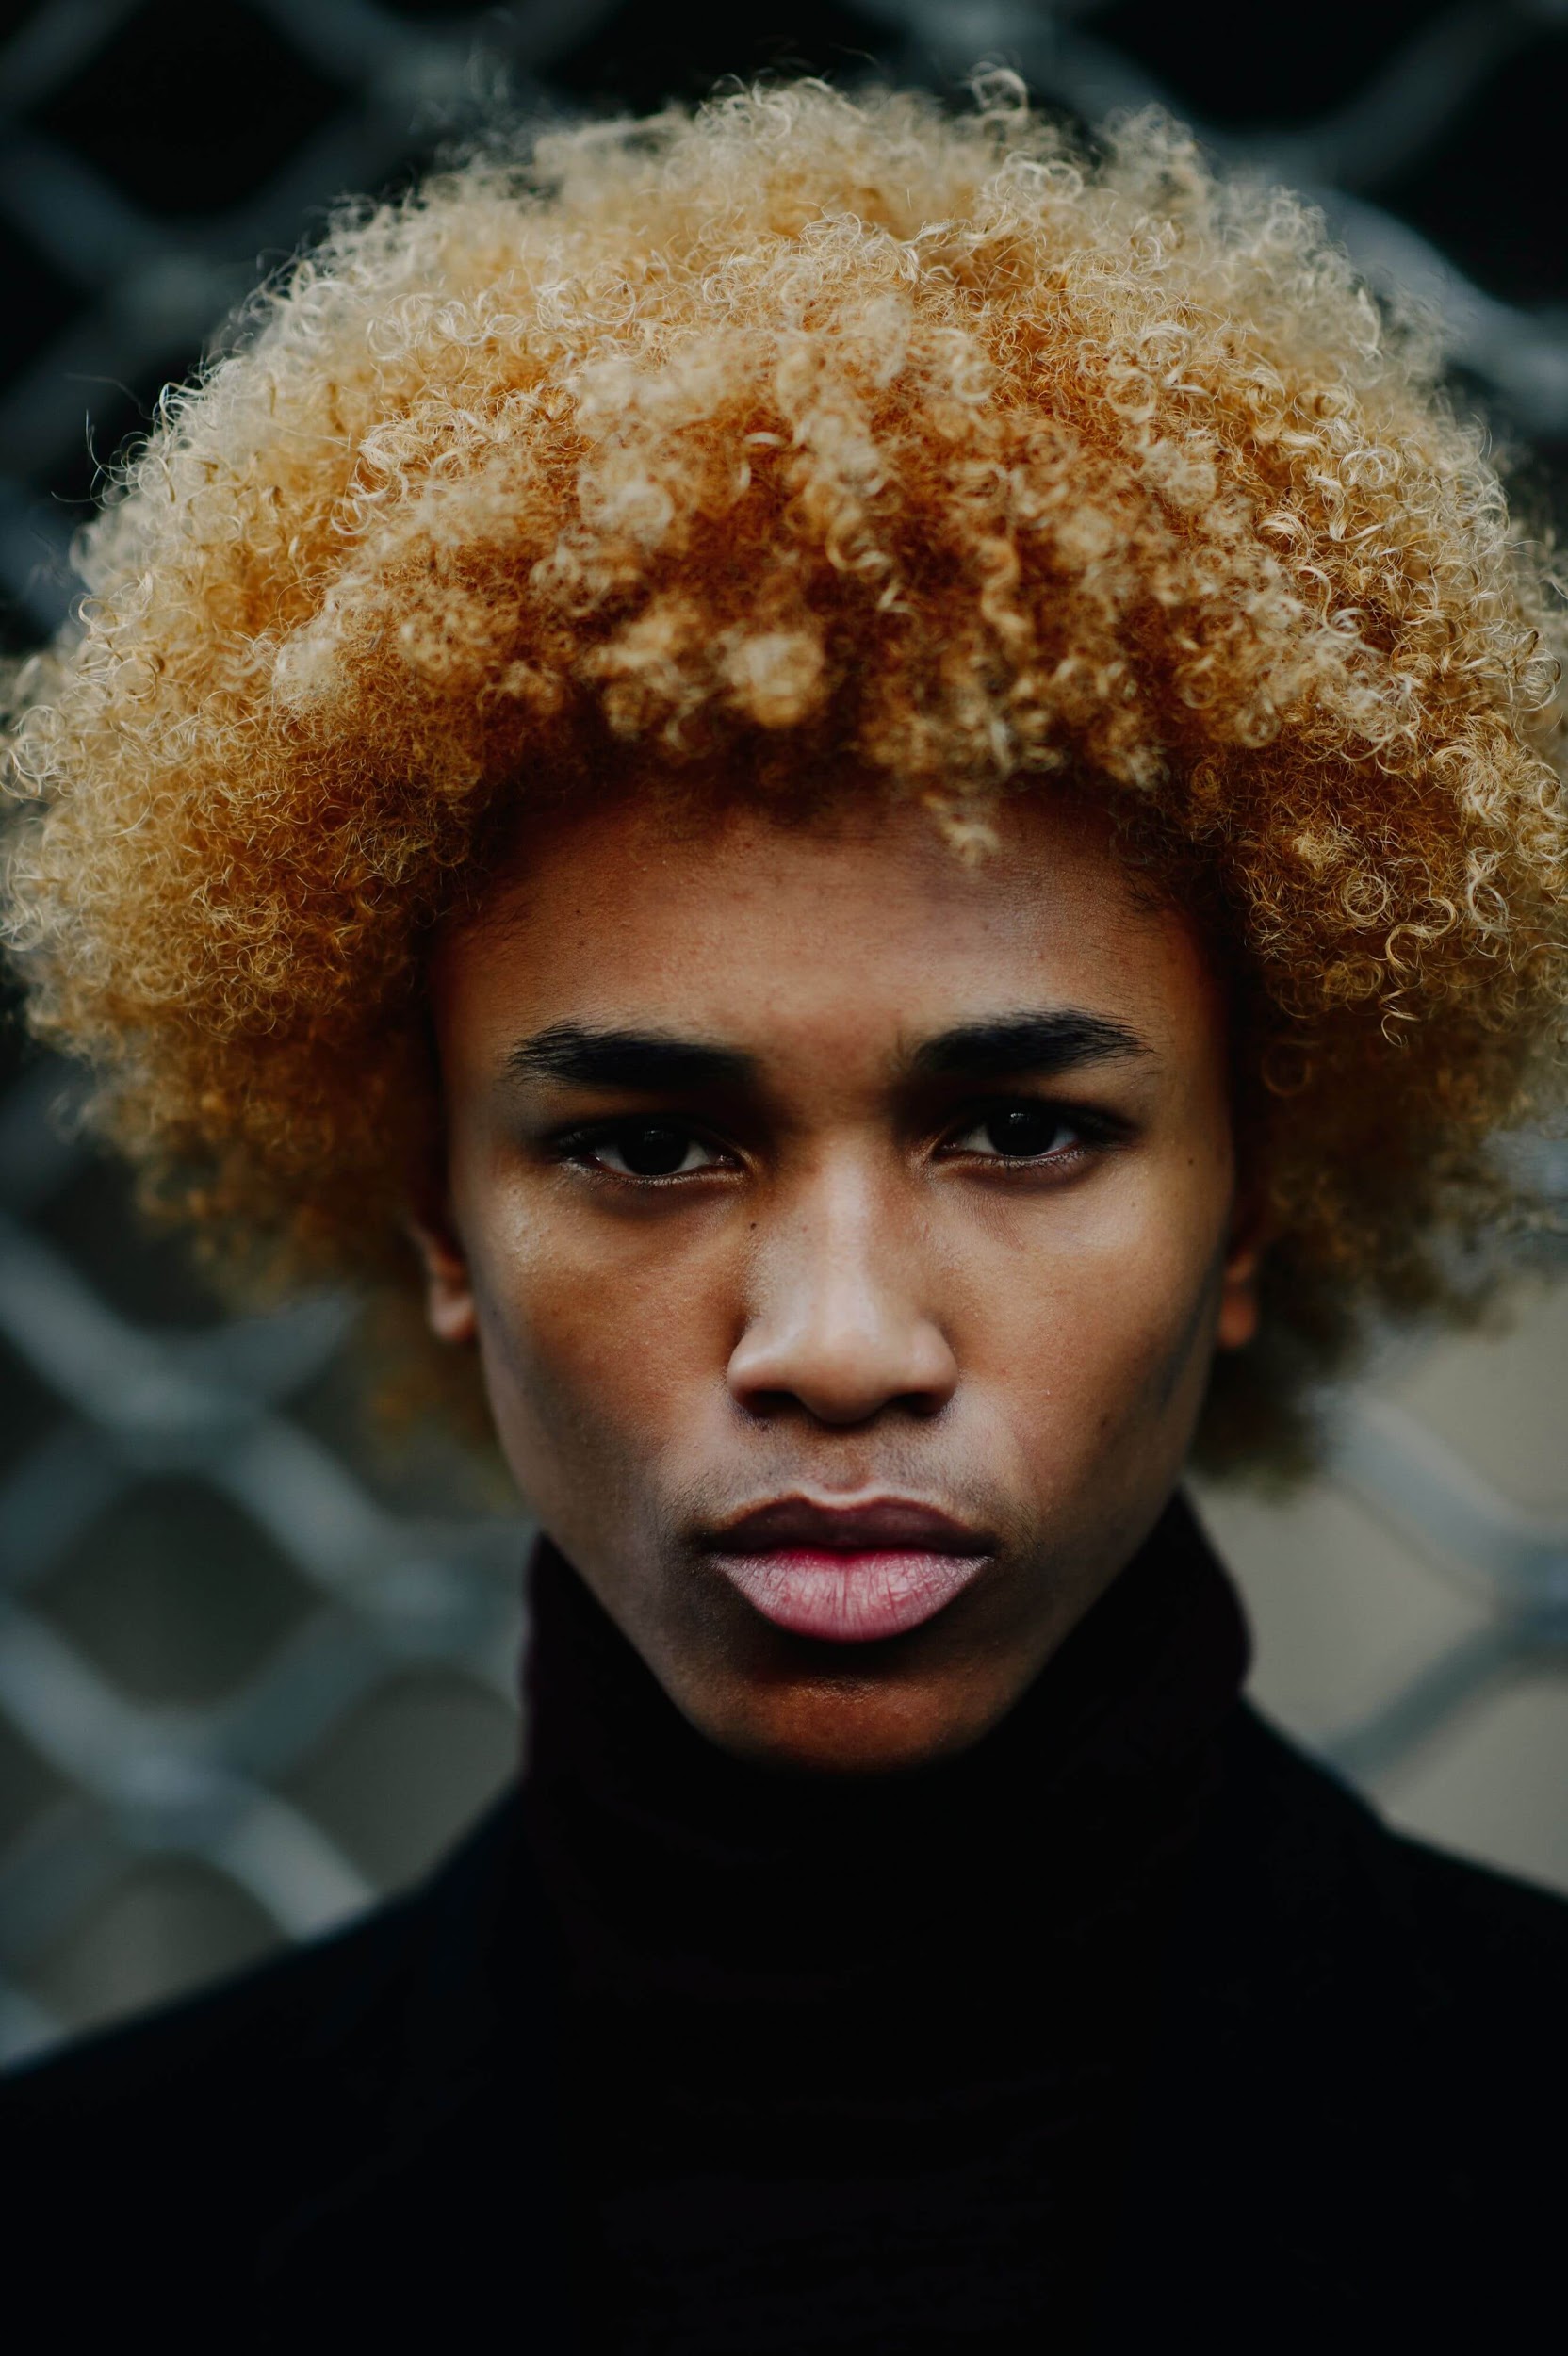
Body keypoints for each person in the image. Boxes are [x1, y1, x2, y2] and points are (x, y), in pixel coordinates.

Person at [3, 75, 1566, 2353]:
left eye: (1018, 1127)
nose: (836, 1342)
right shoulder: (70, 2246)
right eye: (647, 1145)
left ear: (1258, 1198)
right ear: (430, 1211)